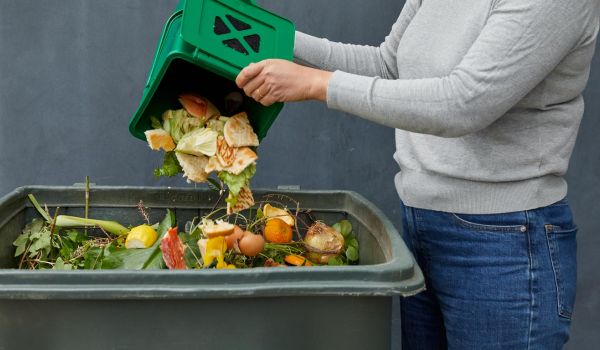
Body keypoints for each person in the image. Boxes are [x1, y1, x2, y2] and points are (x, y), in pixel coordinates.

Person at [236, 0, 599, 349]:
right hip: (421, 225)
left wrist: (318, 84)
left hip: (506, 246)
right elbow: (388, 64)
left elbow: (463, 103)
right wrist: (274, 37)